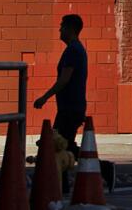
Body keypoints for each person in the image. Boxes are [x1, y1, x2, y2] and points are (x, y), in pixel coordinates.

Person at [34, 14, 89, 157]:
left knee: (58, 147)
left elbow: (64, 80)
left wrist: (44, 98)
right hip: (71, 107)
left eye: (62, 26)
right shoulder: (76, 49)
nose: (59, 30)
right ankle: (100, 168)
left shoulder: (73, 50)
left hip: (70, 109)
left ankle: (102, 168)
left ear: (70, 29)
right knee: (64, 147)